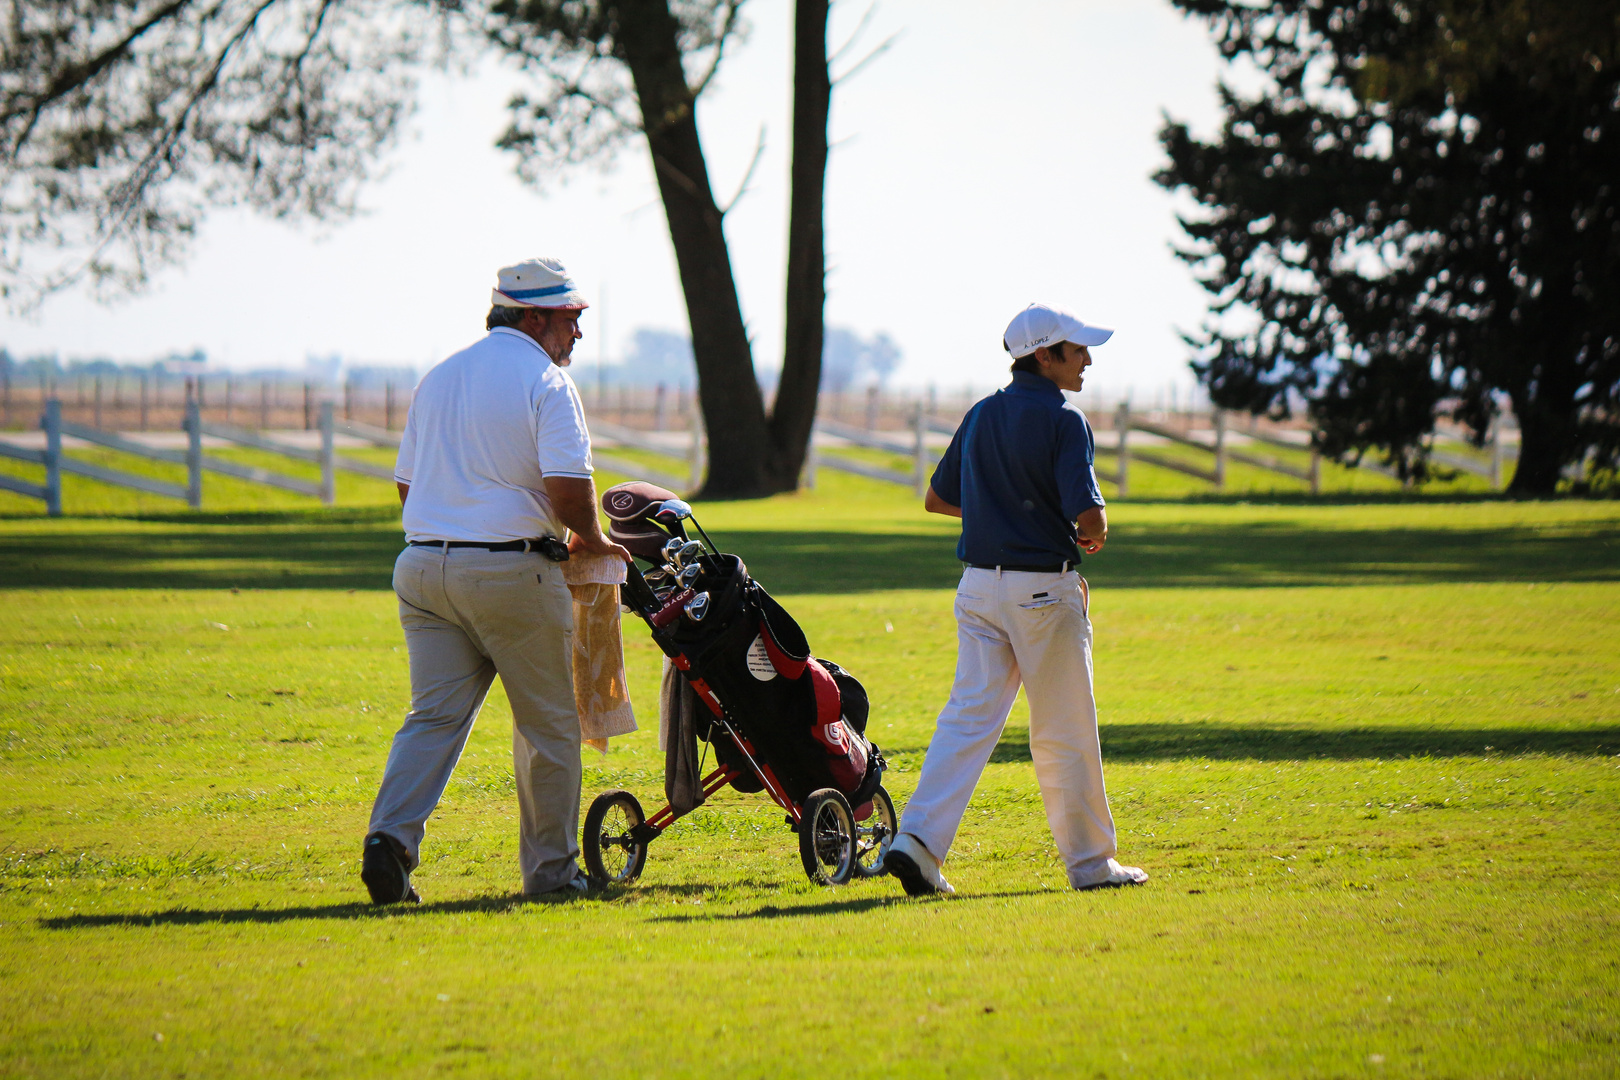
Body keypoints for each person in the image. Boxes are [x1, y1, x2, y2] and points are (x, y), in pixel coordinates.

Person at [361, 256, 630, 904]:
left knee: (433, 718)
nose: (578, 335)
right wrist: (598, 545)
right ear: (536, 317)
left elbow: (407, 484)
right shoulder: (545, 381)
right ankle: (552, 876)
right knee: (550, 728)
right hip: (510, 570)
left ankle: (390, 840)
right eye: (571, 318)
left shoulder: (440, 376)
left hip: (423, 567)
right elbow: (569, 493)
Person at [883, 302, 1148, 896]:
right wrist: (1089, 532)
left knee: (966, 720)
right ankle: (1092, 866)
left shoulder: (980, 413)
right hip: (1042, 593)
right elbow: (1090, 516)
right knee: (1066, 729)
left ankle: (917, 844)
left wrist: (1002, 511)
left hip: (978, 588)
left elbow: (937, 497)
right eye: (1076, 350)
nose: (1086, 359)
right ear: (1045, 356)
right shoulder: (1065, 419)